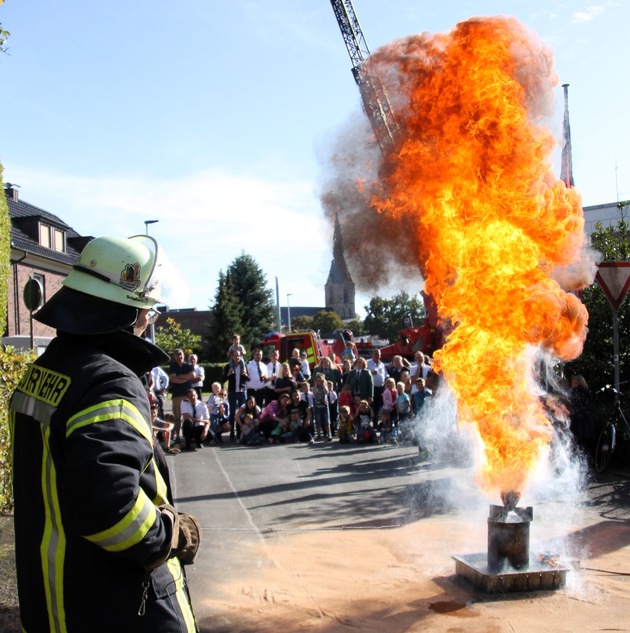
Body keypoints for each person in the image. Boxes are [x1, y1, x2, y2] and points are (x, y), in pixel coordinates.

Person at [9, 235, 199, 632]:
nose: (150, 319)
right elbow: (110, 510)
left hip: (55, 600)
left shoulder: (43, 372)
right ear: (129, 314)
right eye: (149, 310)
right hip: (118, 608)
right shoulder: (110, 382)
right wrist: (167, 533)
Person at [168, 348, 196, 443]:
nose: (180, 356)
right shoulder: (172, 367)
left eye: (181, 354)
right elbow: (173, 379)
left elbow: (192, 376)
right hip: (177, 395)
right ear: (175, 357)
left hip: (187, 395)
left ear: (184, 355)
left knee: (188, 416)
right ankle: (177, 436)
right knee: (177, 417)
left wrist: (179, 376)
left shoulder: (188, 365)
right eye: (177, 355)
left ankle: (188, 435)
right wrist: (185, 378)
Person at [223, 349, 250, 440]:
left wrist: (245, 374)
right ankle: (231, 432)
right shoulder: (228, 366)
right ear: (232, 357)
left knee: (242, 412)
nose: (237, 357)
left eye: (239, 356)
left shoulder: (244, 366)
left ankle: (240, 431)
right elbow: (223, 379)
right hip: (232, 392)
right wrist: (228, 374)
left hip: (242, 392)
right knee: (232, 413)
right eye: (235, 356)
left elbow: (248, 378)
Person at [367, 348, 388, 418]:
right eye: (376, 354)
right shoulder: (368, 363)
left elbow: (386, 375)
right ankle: (373, 421)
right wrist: (371, 373)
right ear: (372, 355)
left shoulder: (382, 364)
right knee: (372, 405)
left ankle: (377, 421)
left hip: (381, 388)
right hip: (372, 388)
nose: (377, 355)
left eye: (379, 354)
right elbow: (364, 373)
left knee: (379, 405)